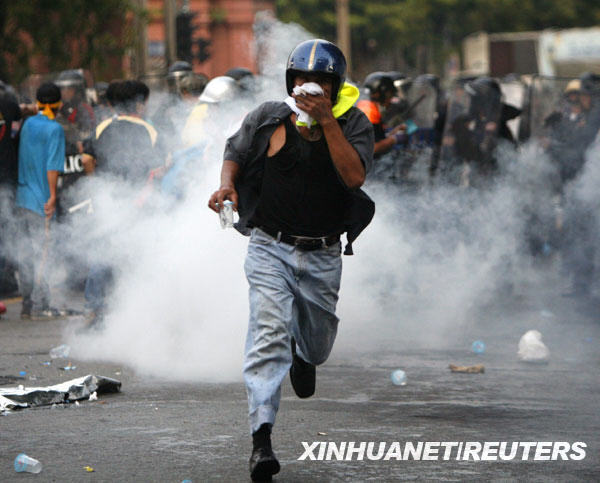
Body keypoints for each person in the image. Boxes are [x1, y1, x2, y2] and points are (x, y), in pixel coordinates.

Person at [208, 39, 374, 481]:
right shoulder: (269, 116)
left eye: (321, 82)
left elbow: (354, 176)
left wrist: (327, 123)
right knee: (267, 335)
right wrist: (227, 186)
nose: (310, 88)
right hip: (269, 246)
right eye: (303, 79)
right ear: (290, 82)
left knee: (317, 345)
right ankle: (261, 441)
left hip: (322, 254)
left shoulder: (354, 122)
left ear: (336, 88)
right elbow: (234, 152)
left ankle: (304, 354)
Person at [82, 79, 163, 328]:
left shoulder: (102, 127)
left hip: (108, 200)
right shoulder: (149, 130)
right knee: (136, 256)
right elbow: (158, 170)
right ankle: (133, 309)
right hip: (138, 202)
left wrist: (98, 183)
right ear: (139, 104)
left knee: (103, 254)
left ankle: (96, 311)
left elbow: (86, 159)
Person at [15, 82, 65, 319]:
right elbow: (52, 166)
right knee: (44, 251)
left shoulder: (27, 124)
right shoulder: (54, 129)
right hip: (41, 200)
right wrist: (53, 196)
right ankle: (41, 302)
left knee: (26, 252)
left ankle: (26, 304)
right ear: (59, 104)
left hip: (22, 197)